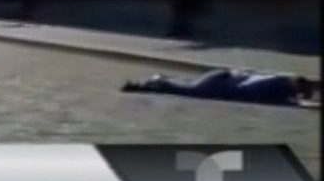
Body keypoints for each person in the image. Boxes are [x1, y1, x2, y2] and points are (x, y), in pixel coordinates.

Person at [122, 69, 316, 106]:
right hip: (219, 84)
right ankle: (295, 83)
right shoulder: (184, 87)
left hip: (217, 85)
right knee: (252, 85)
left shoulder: (181, 87)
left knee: (251, 86)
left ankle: (295, 83)